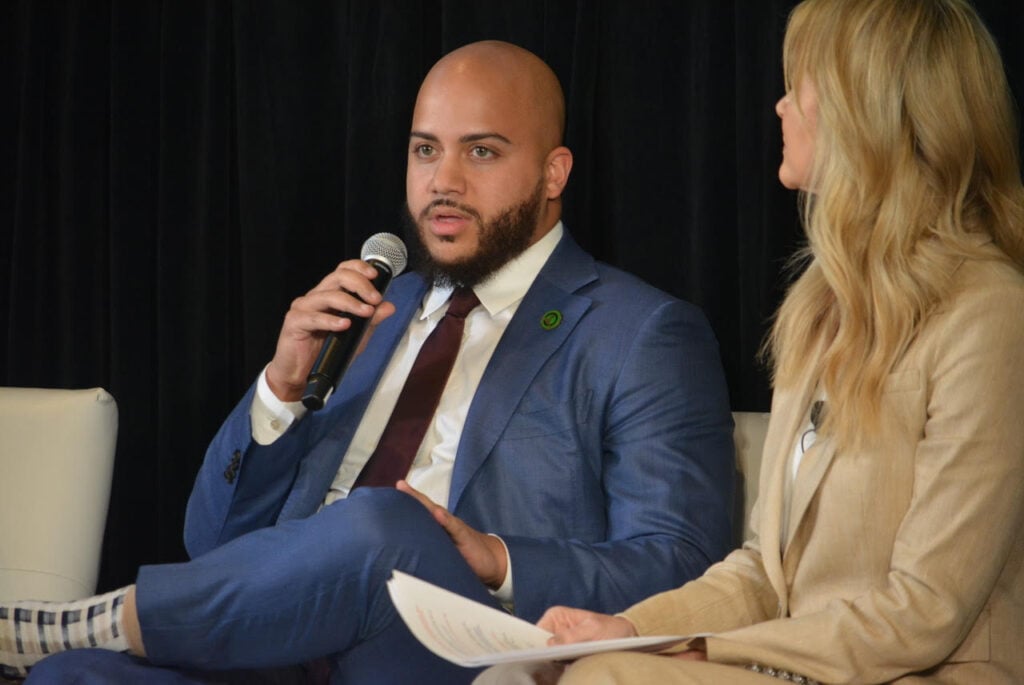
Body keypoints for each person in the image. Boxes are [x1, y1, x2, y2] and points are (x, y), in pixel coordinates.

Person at [0, 41, 735, 684]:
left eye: (481, 150)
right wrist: (279, 394)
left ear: (552, 172)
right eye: (424, 149)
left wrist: (496, 556)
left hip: (449, 657)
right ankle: (80, 640)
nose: (442, 180)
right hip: (273, 653)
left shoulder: (639, 331)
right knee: (75, 676)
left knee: (382, 521)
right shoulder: (371, 312)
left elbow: (678, 562)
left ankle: (85, 618)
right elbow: (213, 545)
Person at [474, 1, 1024, 683]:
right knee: (521, 672)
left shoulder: (990, 314)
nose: (780, 106)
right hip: (800, 667)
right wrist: (634, 627)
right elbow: (764, 572)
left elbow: (923, 612)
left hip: (927, 672)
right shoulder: (822, 308)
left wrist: (693, 650)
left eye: (800, 86)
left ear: (870, 111)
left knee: (606, 679)